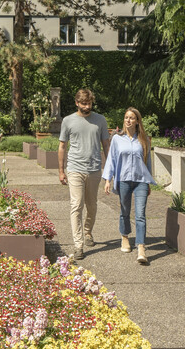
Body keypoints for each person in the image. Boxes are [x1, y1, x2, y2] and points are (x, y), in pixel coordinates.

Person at [58, 88, 110, 260]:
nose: (87, 107)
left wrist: (109, 169)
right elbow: (62, 146)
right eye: (84, 104)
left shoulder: (100, 120)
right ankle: (78, 244)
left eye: (89, 103)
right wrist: (61, 170)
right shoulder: (68, 121)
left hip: (94, 169)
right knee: (76, 205)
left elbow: (106, 145)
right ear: (77, 103)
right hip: (75, 169)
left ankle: (88, 232)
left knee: (92, 205)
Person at [102, 107, 154, 265]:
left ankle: (141, 247)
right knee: (124, 211)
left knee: (140, 214)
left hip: (141, 181)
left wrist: (149, 181)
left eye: (132, 118)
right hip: (123, 179)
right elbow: (111, 159)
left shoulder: (143, 139)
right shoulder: (117, 139)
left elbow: (148, 161)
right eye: (126, 118)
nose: (128, 120)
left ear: (137, 121)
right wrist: (108, 179)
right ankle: (125, 237)